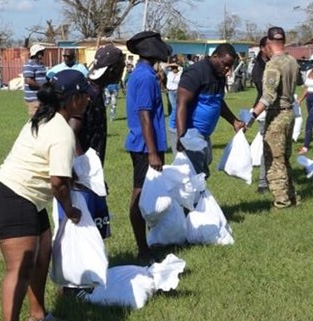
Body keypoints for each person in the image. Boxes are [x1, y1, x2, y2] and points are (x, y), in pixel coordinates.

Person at [0, 70, 91, 321]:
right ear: (74, 99)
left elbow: (51, 166)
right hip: (12, 197)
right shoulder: (62, 132)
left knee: (42, 256)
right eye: (85, 95)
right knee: (20, 269)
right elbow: (58, 184)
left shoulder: (45, 118)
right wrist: (70, 210)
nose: (89, 100)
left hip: (29, 198)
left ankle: (38, 315)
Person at [124, 31, 171, 259]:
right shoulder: (144, 77)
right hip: (145, 146)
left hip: (148, 144)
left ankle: (152, 241)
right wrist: (152, 152)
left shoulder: (147, 74)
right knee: (141, 194)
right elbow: (144, 115)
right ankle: (142, 249)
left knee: (150, 194)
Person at [71, 44, 126, 239]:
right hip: (81, 176)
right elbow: (71, 132)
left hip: (90, 172)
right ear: (111, 70)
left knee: (94, 229)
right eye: (121, 68)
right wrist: (85, 170)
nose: (122, 72)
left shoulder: (95, 91)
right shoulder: (89, 94)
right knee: (84, 231)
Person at [245, 27, 299, 209]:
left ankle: (281, 201)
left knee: (274, 159)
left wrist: (252, 116)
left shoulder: (273, 65)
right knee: (284, 158)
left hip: (277, 114)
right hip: (290, 112)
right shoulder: (292, 61)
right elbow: (298, 82)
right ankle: (291, 196)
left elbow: (268, 96)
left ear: (268, 43)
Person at [171, 44, 245, 175]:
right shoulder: (196, 72)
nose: (227, 69)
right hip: (188, 131)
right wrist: (182, 137)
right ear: (215, 56)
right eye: (225, 64)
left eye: (230, 66)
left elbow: (217, 100)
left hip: (203, 133)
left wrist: (234, 121)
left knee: (203, 168)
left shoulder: (219, 74)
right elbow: (181, 104)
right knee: (194, 175)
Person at [250, 36, 270, 192]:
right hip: (263, 110)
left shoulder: (273, 63)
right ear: (263, 48)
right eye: (270, 45)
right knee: (268, 147)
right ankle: (263, 182)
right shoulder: (258, 68)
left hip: (273, 109)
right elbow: (264, 93)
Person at [22, 43, 49, 118]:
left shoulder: (41, 65)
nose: (43, 54)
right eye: (41, 52)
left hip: (42, 98)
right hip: (34, 99)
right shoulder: (29, 65)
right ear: (36, 54)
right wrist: (42, 87)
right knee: (36, 119)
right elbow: (29, 81)